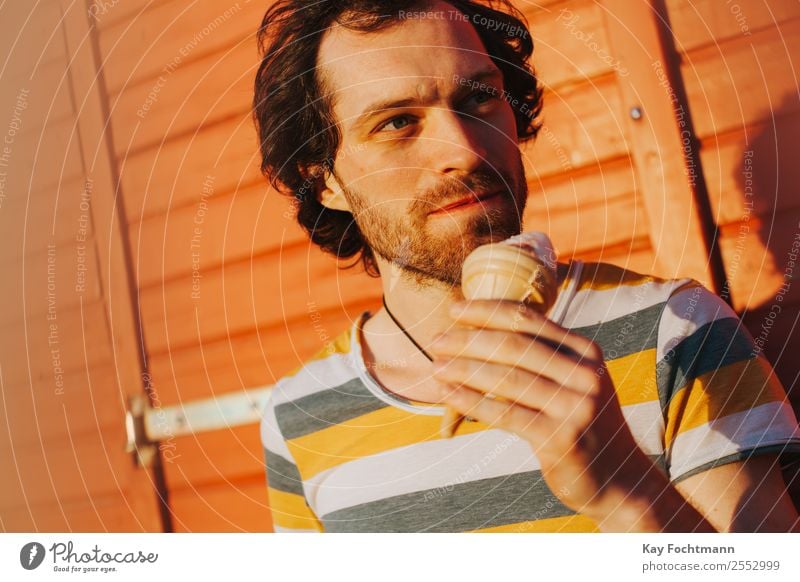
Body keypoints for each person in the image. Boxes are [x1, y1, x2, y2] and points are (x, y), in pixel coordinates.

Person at [252, 0, 800, 532]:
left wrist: (622, 489)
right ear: (323, 178)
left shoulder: (676, 329)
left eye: (479, 98)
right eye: (397, 123)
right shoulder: (299, 415)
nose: (464, 150)